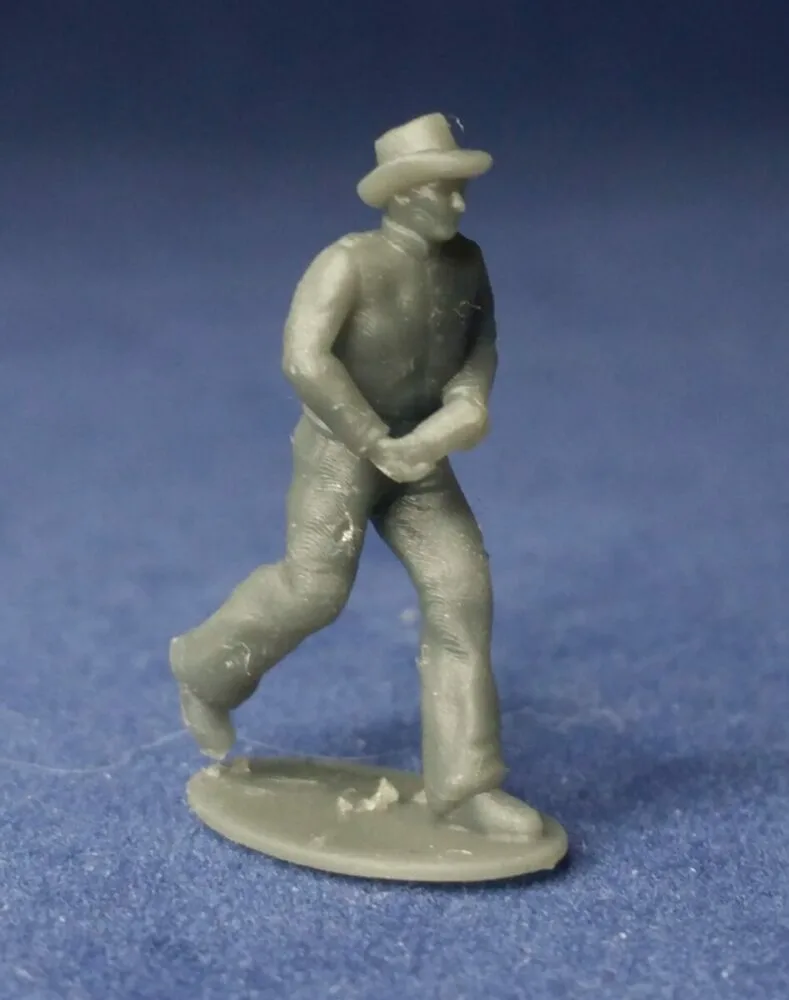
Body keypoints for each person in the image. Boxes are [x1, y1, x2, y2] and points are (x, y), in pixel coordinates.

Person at [170, 113, 542, 839]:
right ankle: (204, 669)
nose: (457, 204)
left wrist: (466, 404)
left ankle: (464, 787)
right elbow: (304, 359)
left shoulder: (468, 262)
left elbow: (480, 345)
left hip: (420, 456)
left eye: (460, 190)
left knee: (462, 595)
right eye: (440, 190)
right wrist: (371, 438)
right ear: (399, 194)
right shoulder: (347, 262)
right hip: (340, 452)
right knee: (314, 591)